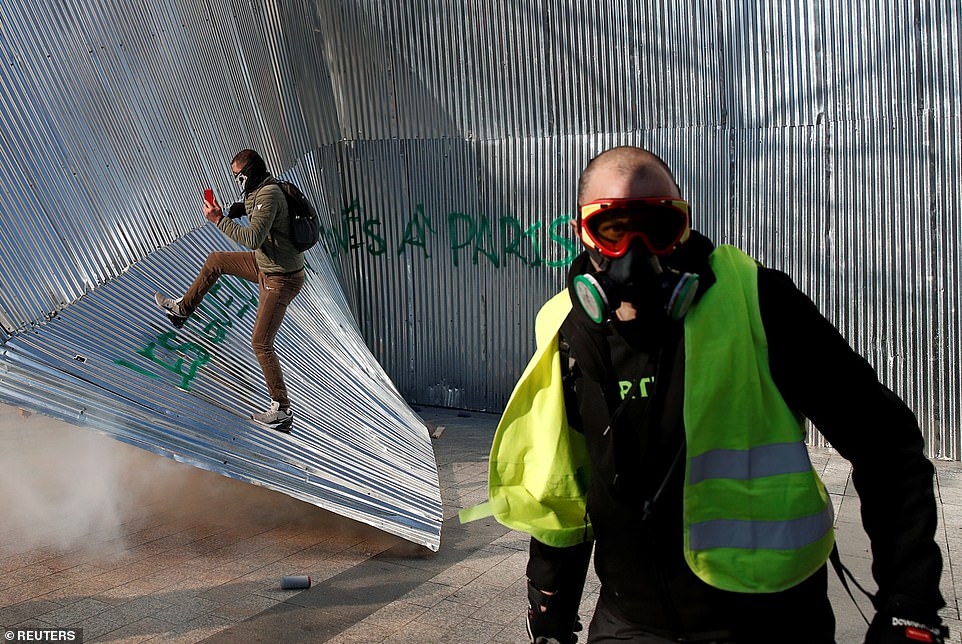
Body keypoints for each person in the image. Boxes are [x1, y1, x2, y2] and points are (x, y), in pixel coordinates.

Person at [463, 146, 946, 643]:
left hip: (769, 621)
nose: (636, 252)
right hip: (631, 623)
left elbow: (885, 443)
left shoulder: (756, 299)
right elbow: (560, 487)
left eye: (658, 228)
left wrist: (910, 605)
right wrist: (550, 613)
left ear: (685, 227)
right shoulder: (565, 329)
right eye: (613, 229)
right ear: (583, 233)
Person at [154, 149, 304, 433]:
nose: (237, 181)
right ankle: (181, 311)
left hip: (280, 278)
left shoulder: (268, 194)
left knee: (260, 342)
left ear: (249, 174)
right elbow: (258, 211)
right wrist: (237, 209)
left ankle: (282, 410)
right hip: (266, 264)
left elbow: (253, 237)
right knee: (216, 261)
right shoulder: (262, 188)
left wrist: (219, 221)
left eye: (239, 176)